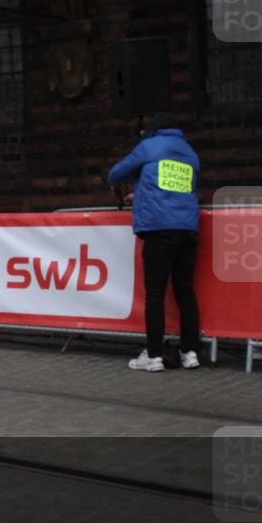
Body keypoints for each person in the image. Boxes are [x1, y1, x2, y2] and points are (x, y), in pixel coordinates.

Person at [108, 112, 201, 372]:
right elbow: (171, 189)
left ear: (153, 130)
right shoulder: (190, 153)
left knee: (155, 294)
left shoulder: (149, 146)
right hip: (188, 229)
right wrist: (139, 195)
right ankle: (190, 352)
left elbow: (115, 174)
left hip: (159, 229)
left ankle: (154, 355)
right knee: (185, 292)